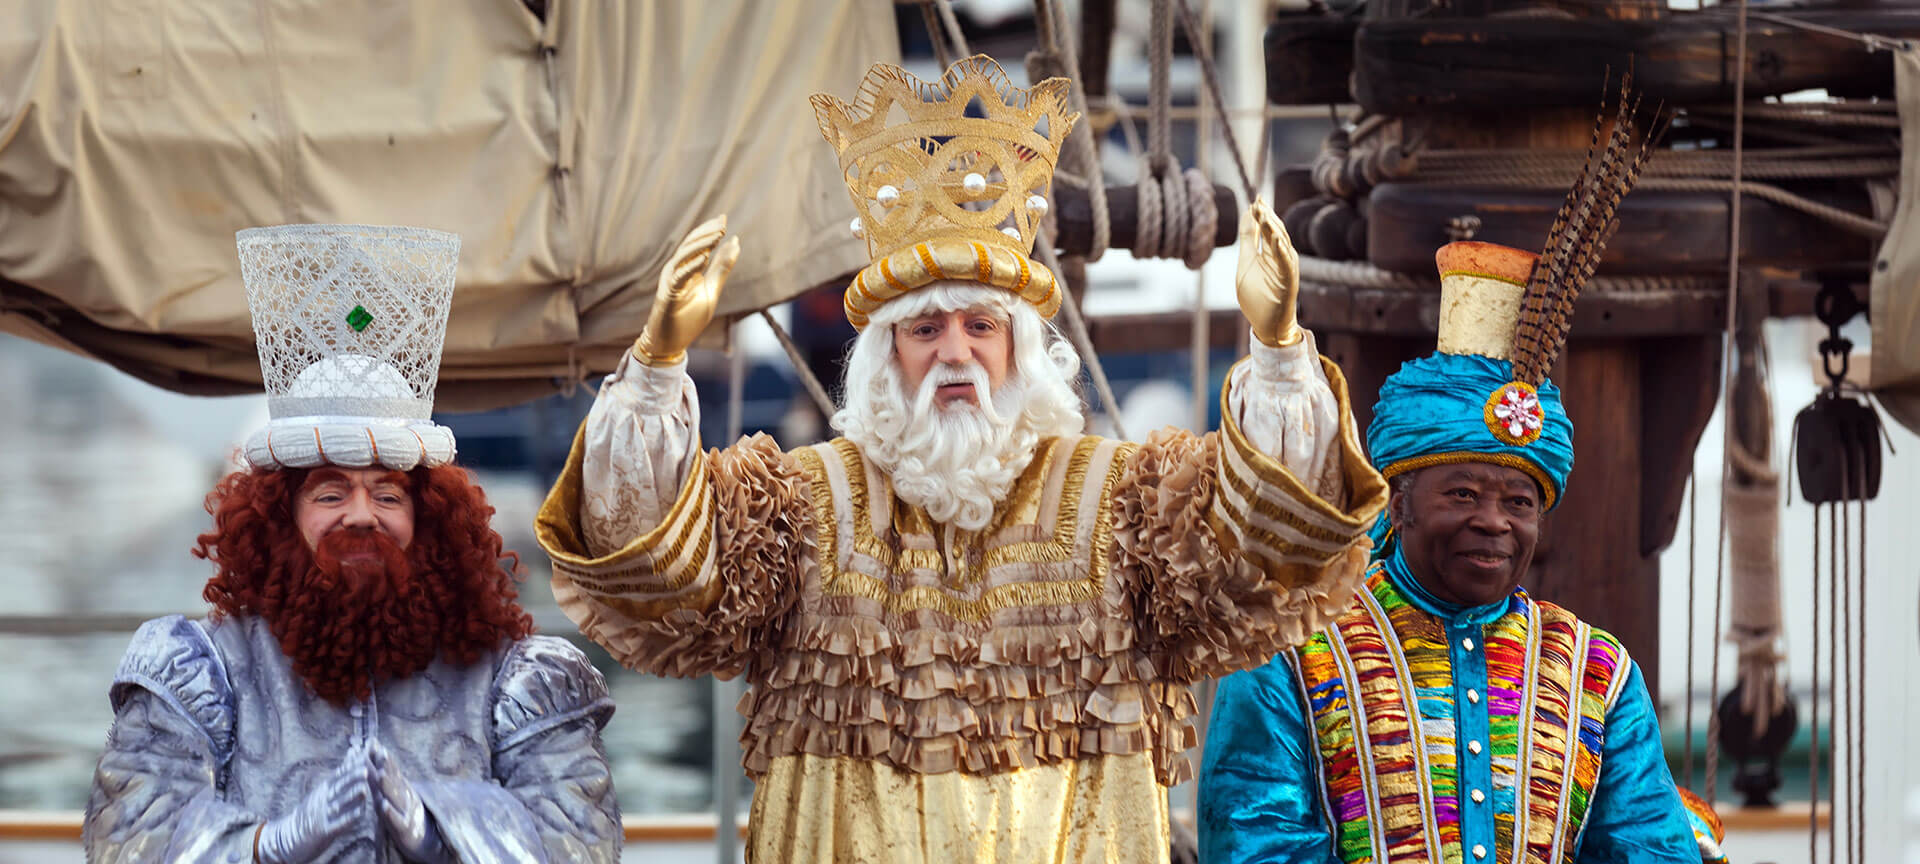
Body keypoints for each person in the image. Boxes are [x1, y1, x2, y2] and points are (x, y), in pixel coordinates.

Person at [534, 55, 1388, 863]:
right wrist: (654, 367)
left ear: (1020, 349)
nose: (955, 353)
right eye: (925, 328)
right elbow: (651, 576)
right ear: (885, 353)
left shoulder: (1125, 502)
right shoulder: (800, 506)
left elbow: (1268, 553)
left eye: (981, 327)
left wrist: (1278, 352)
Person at [83, 224, 621, 863]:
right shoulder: (202, 672)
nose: (362, 516)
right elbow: (126, 842)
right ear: (281, 519)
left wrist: (442, 831)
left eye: (388, 495)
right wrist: (266, 845)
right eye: (331, 494)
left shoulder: (515, 680)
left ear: (431, 520)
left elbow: (583, 845)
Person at [1197, 237, 1705, 861]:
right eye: (1462, 494)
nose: (1493, 522)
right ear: (1398, 503)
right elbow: (1252, 844)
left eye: (1519, 503)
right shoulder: (1293, 650)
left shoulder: (1598, 674)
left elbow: (1651, 848)